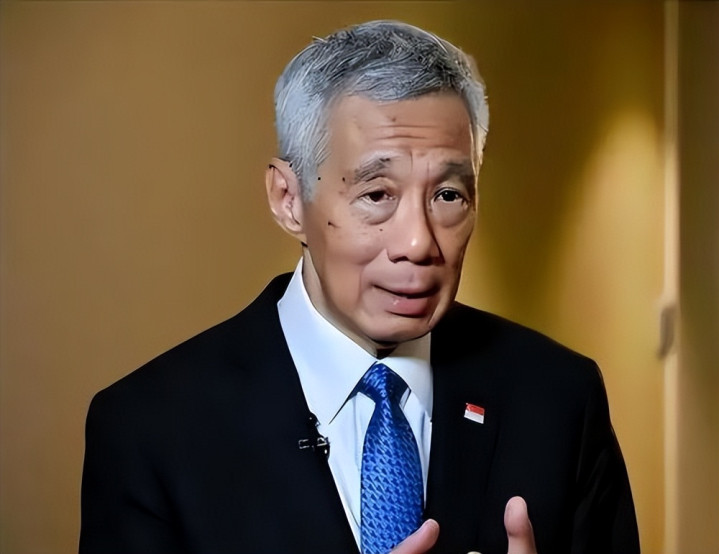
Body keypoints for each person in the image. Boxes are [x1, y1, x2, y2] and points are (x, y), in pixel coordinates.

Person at [79, 20, 639, 554]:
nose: (418, 243)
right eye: (377, 195)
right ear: (288, 200)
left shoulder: (560, 397)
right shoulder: (151, 428)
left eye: (448, 196)